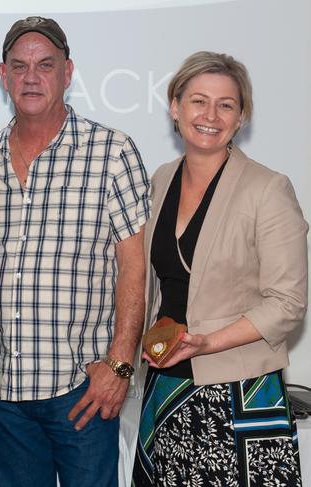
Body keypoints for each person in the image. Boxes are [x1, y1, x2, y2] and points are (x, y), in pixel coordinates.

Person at [0, 16, 150, 487]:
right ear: (3, 74)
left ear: (67, 74)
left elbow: (135, 268)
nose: (31, 77)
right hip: (3, 395)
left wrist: (120, 365)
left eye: (45, 65)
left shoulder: (112, 151)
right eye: (19, 66)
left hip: (83, 389)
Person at [132, 51, 307, 486]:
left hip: (239, 392)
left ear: (241, 116)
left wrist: (207, 342)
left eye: (226, 104)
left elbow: (287, 303)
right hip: (164, 386)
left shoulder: (268, 188)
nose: (210, 115)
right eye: (198, 100)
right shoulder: (159, 180)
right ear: (175, 107)